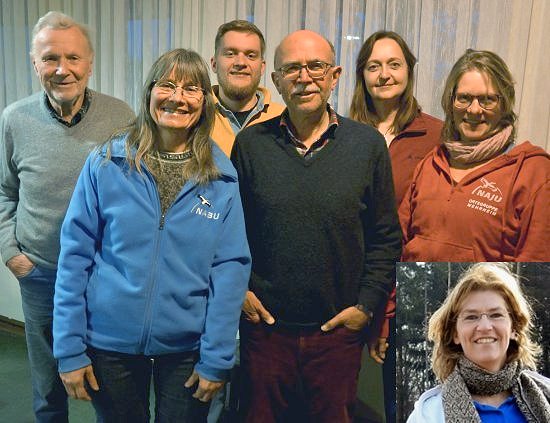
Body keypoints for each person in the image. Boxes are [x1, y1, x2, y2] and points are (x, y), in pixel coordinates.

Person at [52, 48, 251, 422]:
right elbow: (74, 257)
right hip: (110, 343)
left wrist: (217, 356)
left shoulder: (221, 178)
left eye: (191, 88)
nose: (177, 97)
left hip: (188, 349)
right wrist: (69, 348)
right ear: (149, 92)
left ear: (205, 101)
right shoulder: (107, 163)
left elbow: (230, 270)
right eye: (168, 85)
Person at [231, 29, 401, 422]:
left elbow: (385, 237)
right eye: (292, 69)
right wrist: (240, 292)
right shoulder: (251, 145)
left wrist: (365, 307)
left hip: (337, 335)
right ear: (276, 80)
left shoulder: (368, 146)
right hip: (265, 333)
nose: (304, 77)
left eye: (316, 67)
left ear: (335, 75)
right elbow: (229, 234)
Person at [0, 11, 134, 422]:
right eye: (50, 58)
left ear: (89, 63)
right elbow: (4, 191)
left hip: (103, 277)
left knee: (110, 387)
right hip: (41, 274)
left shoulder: (122, 118)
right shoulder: (14, 119)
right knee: (47, 389)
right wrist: (11, 254)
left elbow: (135, 195)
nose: (63, 69)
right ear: (34, 63)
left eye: (73, 58)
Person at [349, 30, 443, 423]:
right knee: (335, 396)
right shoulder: (341, 132)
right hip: (348, 282)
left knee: (405, 402)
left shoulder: (437, 135)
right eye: (374, 66)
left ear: (409, 71)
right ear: (361, 74)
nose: (384, 74)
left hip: (405, 289)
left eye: (394, 64)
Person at [400, 49, 550, 261]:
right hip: (416, 284)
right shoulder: (431, 164)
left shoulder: (533, 172)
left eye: (487, 100)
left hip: (480, 285)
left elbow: (536, 267)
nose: (474, 110)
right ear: (451, 102)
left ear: (505, 104)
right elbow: (399, 242)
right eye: (464, 98)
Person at [407, 263, 550, 422]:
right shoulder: (426, 415)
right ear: (455, 334)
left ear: (514, 328)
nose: (485, 327)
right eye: (471, 317)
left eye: (496, 315)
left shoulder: (546, 395)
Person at [210, 19, 284, 156]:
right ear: (214, 64)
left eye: (250, 55)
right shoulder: (195, 117)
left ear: (262, 67)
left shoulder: (285, 119)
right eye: (230, 53)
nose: (240, 63)